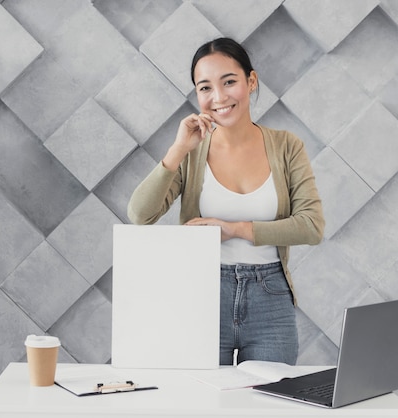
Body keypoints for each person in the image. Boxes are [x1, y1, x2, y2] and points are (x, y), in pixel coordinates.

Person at [127, 38, 325, 366]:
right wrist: (178, 150)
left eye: (229, 82)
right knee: (201, 404)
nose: (218, 97)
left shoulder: (287, 146)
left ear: (251, 81)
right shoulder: (191, 152)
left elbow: (311, 226)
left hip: (270, 298)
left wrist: (234, 229)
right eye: (205, 88)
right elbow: (140, 214)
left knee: (268, 406)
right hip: (202, 294)